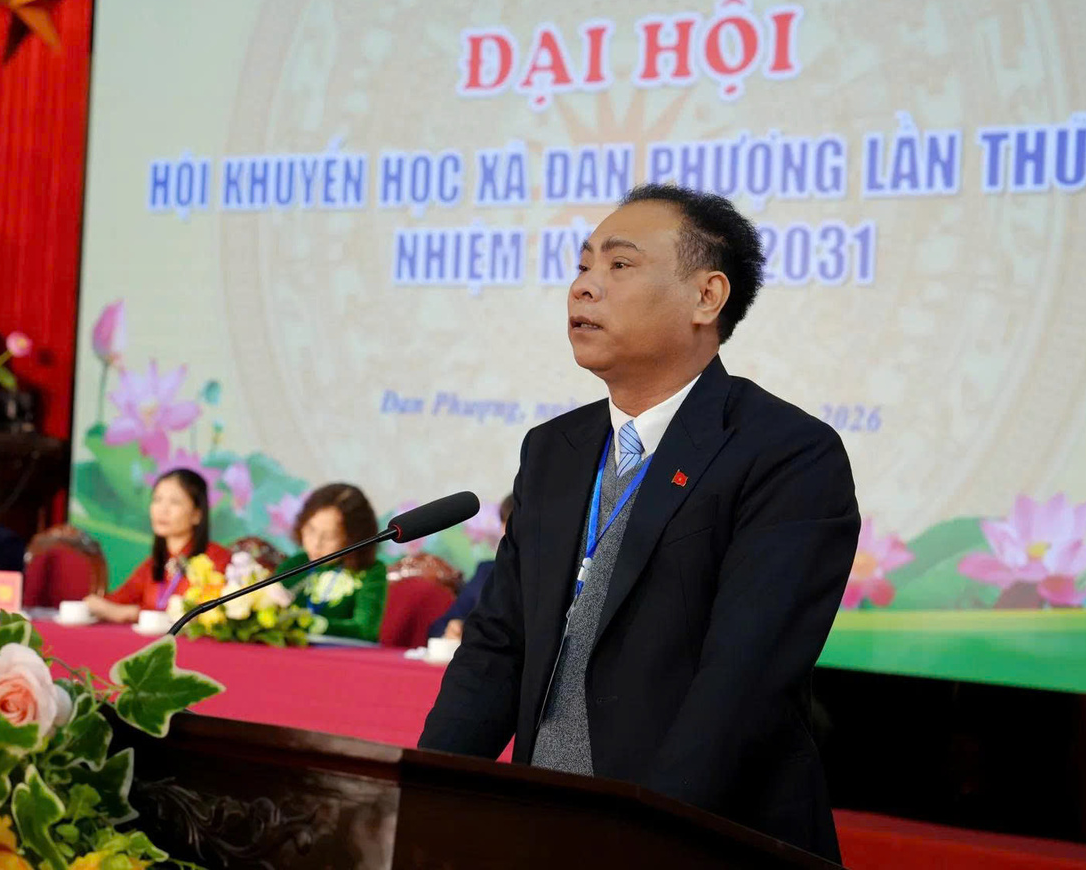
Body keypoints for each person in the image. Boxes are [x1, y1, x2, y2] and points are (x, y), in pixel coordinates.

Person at [419, 184, 859, 861]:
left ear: (706, 297)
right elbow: (498, 647)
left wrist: (639, 841)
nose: (583, 286)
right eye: (581, 265)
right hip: (546, 826)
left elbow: (741, 685)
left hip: (695, 840)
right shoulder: (554, 450)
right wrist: (422, 801)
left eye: (619, 265)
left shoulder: (786, 454)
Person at [85, 468, 230, 623]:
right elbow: (117, 600)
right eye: (157, 500)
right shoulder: (154, 563)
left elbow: (205, 615)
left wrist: (134, 613)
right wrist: (96, 604)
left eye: (174, 502)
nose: (162, 510)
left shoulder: (216, 558)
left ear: (197, 514)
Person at [276, 484, 388, 642]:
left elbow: (365, 630)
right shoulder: (297, 562)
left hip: (341, 655)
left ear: (353, 537)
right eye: (311, 530)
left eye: (329, 537)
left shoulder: (371, 571)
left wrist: (313, 624)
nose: (316, 543)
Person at [427, 493, 513, 640]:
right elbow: (440, 626)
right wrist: (454, 628)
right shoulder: (486, 572)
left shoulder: (551, 580)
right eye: (506, 524)